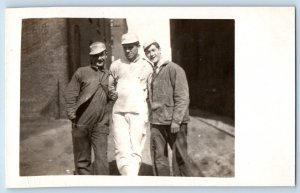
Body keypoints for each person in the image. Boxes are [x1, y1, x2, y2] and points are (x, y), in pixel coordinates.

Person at [143, 39, 191, 176]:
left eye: (153, 50)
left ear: (159, 50)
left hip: (174, 123)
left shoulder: (174, 69)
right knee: (159, 159)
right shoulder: (151, 74)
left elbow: (183, 96)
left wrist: (176, 120)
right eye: (148, 52)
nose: (151, 54)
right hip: (157, 123)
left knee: (180, 158)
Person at [108, 33, 153, 176]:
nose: (127, 51)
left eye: (131, 47)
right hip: (119, 113)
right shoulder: (116, 65)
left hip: (138, 113)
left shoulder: (147, 66)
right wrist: (112, 92)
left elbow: (152, 91)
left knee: (135, 149)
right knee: (121, 149)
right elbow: (110, 86)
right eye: (125, 48)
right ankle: (127, 178)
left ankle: (131, 180)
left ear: (138, 47)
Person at [64, 41, 111, 175]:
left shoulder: (110, 75)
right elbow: (70, 93)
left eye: (101, 55)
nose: (99, 58)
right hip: (81, 123)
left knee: (102, 159)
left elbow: (113, 97)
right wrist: (71, 113)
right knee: (82, 162)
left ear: (106, 55)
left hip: (101, 125)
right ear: (90, 57)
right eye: (95, 56)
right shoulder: (81, 72)